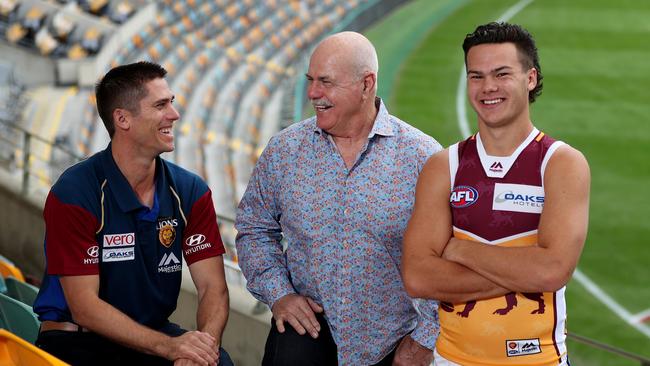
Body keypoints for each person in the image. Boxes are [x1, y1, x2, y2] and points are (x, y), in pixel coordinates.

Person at [235, 31, 442, 365]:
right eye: (311, 80)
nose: (313, 93)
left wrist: (424, 339)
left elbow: (447, 254)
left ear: (366, 84)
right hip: (305, 338)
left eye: (326, 82)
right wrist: (279, 294)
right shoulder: (285, 150)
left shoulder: (423, 156)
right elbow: (253, 229)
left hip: (393, 344)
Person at [402, 22, 591, 365]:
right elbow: (417, 276)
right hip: (451, 360)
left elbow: (552, 271)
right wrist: (523, 271)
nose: (488, 87)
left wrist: (457, 248)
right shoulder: (444, 165)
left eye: (502, 74)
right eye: (476, 76)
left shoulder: (561, 163)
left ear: (530, 78)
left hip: (539, 360)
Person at [33, 61, 233, 366]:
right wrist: (169, 348)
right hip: (77, 338)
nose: (174, 115)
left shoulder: (190, 191)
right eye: (161, 105)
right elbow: (85, 307)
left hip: (150, 335)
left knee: (221, 362)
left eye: (172, 103)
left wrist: (203, 348)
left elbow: (212, 288)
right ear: (123, 119)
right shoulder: (75, 192)